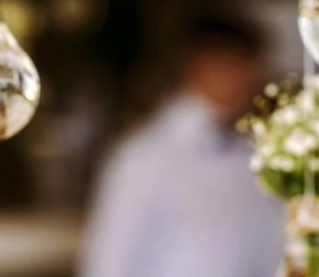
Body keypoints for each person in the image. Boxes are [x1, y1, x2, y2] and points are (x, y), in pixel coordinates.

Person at [78, 19, 285, 277]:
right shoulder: (142, 159)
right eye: (242, 65)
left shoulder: (255, 150)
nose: (257, 79)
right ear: (201, 67)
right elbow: (108, 266)